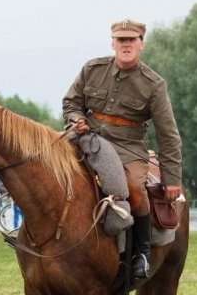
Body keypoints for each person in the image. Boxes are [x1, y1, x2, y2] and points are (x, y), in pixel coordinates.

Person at [62, 18, 182, 280]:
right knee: (51, 172)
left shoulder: (153, 84)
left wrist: (172, 179)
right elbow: (71, 102)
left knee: (135, 190)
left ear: (141, 44)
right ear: (113, 43)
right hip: (87, 137)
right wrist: (77, 120)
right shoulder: (92, 68)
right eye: (121, 40)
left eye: (131, 40)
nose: (126, 44)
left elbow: (168, 134)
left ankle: (141, 252)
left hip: (128, 146)